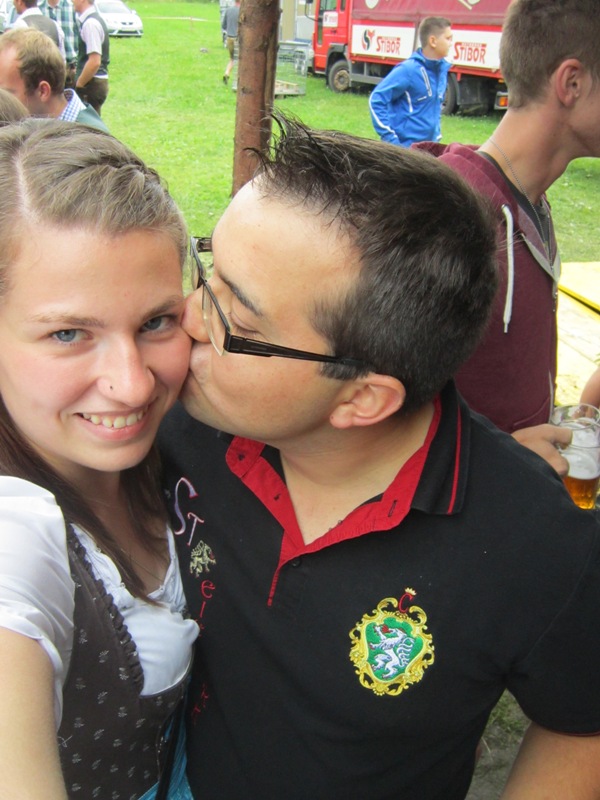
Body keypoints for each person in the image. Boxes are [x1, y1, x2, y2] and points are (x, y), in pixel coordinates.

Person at [159, 115, 600, 800]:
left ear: (363, 399)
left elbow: (580, 719)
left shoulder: (536, 544)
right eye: (209, 270)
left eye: (235, 323)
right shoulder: (176, 422)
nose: (188, 316)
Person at [0, 120, 198, 799]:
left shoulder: (189, 435)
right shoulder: (14, 532)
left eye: (156, 322)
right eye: (68, 334)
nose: (133, 385)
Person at [413, 0, 600, 476]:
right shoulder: (449, 218)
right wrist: (495, 462)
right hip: (464, 510)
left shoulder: (529, 199)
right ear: (572, 83)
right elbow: (368, 409)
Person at [0, 29, 108, 130]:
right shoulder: (39, 128)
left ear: (43, 91)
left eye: (6, 93)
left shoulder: (89, 139)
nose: (2, 100)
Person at [369, 16, 452, 148]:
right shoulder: (408, 70)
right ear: (433, 41)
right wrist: (391, 140)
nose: (451, 43)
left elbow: (434, 108)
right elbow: (376, 99)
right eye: (448, 38)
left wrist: (436, 137)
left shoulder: (441, 71)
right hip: (404, 152)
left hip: (429, 150)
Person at [73, 0, 109, 115]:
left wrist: (79, 84)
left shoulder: (90, 24)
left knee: (89, 123)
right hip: (94, 81)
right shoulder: (91, 21)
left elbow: (94, 61)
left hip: (91, 83)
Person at [38, 0, 79, 87]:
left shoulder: (72, 7)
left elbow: (82, 37)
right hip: (46, 69)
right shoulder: (39, 9)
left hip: (70, 69)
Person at [221, 0, 240, 86]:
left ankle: (227, 73)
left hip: (229, 38)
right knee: (240, 60)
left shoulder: (228, 10)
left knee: (232, 59)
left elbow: (223, 26)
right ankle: (238, 80)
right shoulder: (242, 12)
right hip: (238, 39)